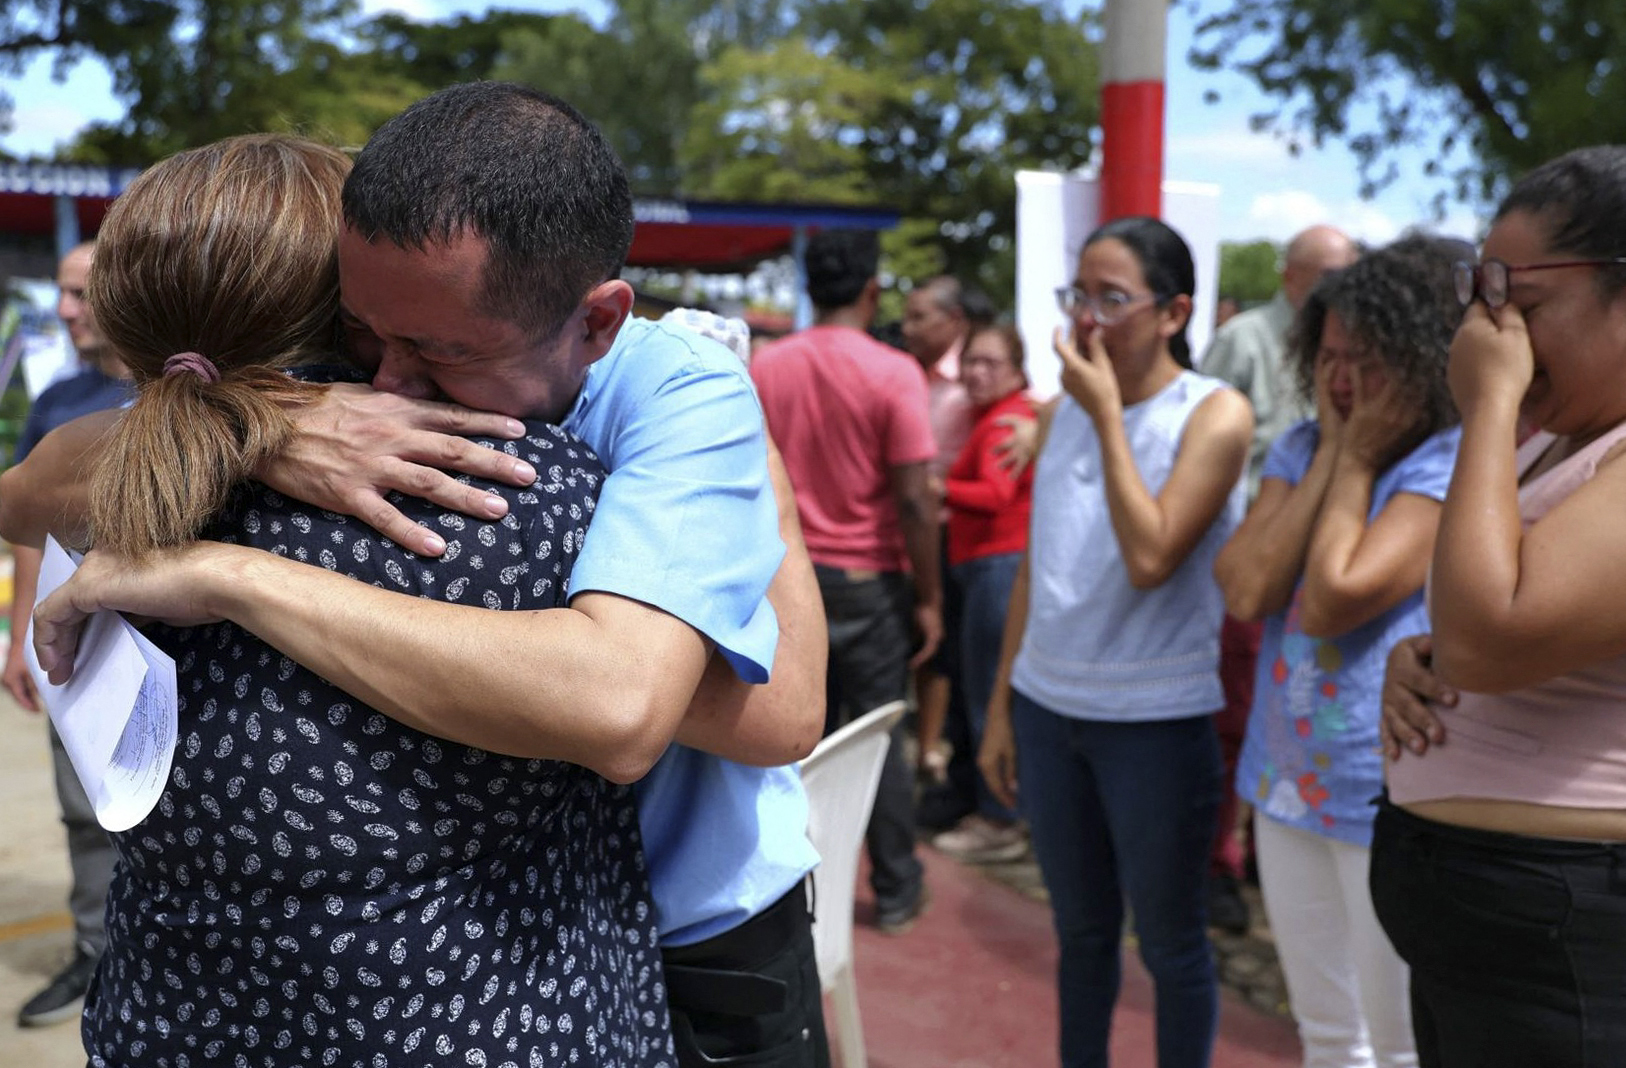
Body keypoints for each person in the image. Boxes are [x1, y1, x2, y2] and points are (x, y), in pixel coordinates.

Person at [15, 83, 829, 1068]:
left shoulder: (668, 404)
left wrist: (231, 572)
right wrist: (256, 425)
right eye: (361, 329)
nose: (390, 385)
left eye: (439, 350)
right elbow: (32, 487)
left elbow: (731, 714)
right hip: (537, 963)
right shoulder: (327, 438)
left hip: (696, 927)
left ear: (599, 323)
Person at [1369, 145, 1626, 1068]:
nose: (1491, 330)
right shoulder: (1557, 441)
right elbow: (1480, 629)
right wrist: (1422, 655)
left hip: (1561, 931)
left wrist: (1485, 407)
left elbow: (1493, 635)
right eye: (1480, 298)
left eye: (1521, 303)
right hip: (1486, 926)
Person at [978, 216, 1253, 1068]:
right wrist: (1000, 712)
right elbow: (1037, 569)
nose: (1088, 318)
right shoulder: (1060, 411)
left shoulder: (1213, 413)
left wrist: (1100, 417)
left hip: (1154, 722)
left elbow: (1151, 557)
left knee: (1171, 945)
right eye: (1078, 295)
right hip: (1048, 706)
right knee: (1082, 934)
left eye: (1112, 298)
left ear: (1174, 313)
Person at [1215, 235, 1467, 1068]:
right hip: (1288, 781)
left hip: (1388, 788)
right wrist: (1332, 450)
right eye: (1327, 357)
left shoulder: (1447, 462)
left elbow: (1329, 599)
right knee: (1326, 1033)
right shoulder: (1301, 447)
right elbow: (1247, 589)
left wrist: (1352, 458)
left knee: (1398, 1045)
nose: (1342, 380)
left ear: (1424, 359)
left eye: (1366, 360)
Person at [751, 229, 934, 934]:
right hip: (870, 580)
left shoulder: (769, 365)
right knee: (876, 735)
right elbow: (915, 498)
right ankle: (895, 886)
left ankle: (788, 887)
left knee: (788, 738)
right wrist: (930, 597)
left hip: (788, 576)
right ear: (872, 290)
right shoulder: (894, 372)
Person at [1199, 223, 1359, 935]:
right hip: (1256, 537)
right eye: (1326, 274)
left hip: (1330, 536)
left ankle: (1266, 849)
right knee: (1234, 715)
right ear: (1290, 276)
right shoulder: (1246, 341)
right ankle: (1222, 860)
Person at [5, 242, 132, 1028]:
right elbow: (26, 525)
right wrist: (21, 635)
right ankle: (95, 952)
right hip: (73, 653)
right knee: (83, 811)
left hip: (167, 657)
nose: (65, 310)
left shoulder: (185, 391)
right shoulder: (60, 399)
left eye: (81, 292)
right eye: (60, 292)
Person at [928, 322, 1033, 864]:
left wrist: (936, 485)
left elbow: (996, 492)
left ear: (1017, 370)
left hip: (998, 567)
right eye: (971, 360)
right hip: (986, 566)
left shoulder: (1008, 420)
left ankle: (1001, 819)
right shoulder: (999, 415)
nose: (976, 372)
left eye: (991, 362)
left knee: (986, 694)